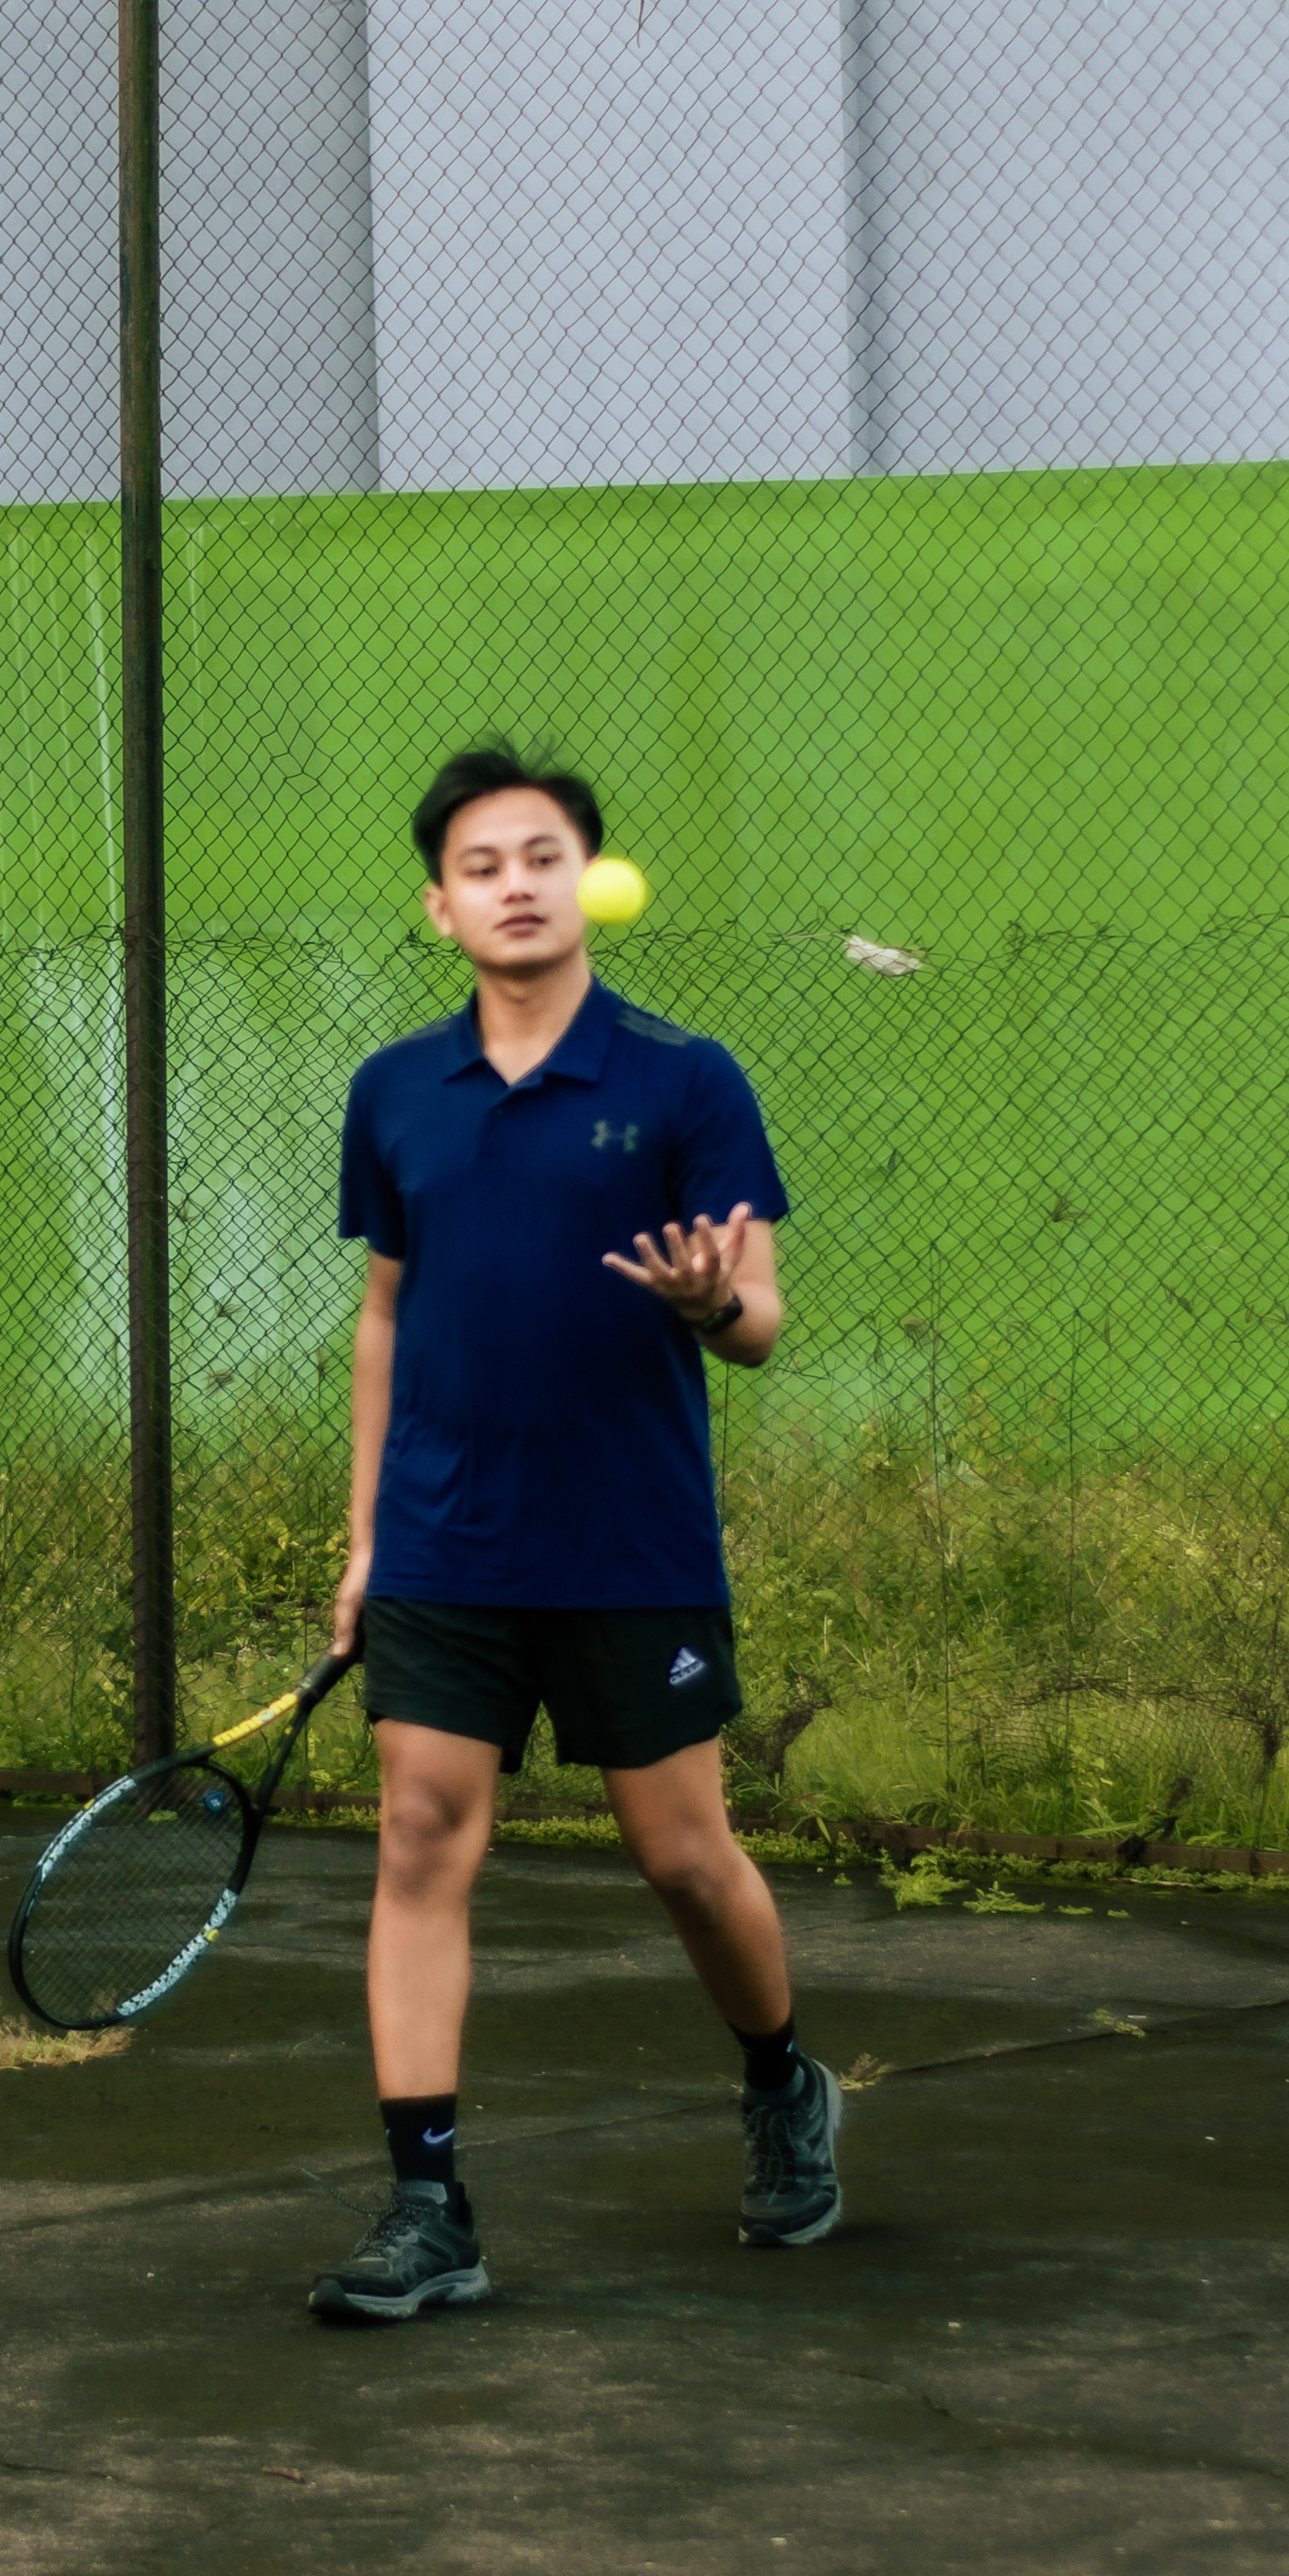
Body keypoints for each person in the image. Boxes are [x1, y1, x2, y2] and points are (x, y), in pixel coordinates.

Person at [309, 745, 840, 2324]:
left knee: (683, 1857)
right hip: (443, 1543)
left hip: (629, 1544)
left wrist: (710, 1302)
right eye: (484, 865)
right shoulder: (395, 1091)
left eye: (544, 855)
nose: (518, 884)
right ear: (441, 906)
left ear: (585, 876)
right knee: (419, 1841)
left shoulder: (687, 1080)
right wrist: (361, 1544)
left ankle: (780, 2080)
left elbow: (759, 1323)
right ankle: (428, 2207)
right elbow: (383, 1320)